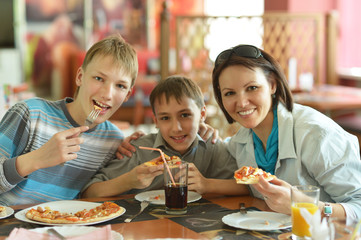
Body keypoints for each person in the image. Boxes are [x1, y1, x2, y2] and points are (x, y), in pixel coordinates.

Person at [211, 44, 361, 223]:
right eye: (229, 93)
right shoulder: (241, 141)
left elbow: (358, 207)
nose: (242, 103)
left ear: (272, 85)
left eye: (252, 88)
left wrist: (303, 204)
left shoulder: (316, 135)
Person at [0, 34, 138, 206]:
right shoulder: (30, 114)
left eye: (120, 86)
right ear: (80, 77)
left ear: (128, 95)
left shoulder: (112, 141)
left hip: (66, 228)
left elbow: (89, 196)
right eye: (99, 78)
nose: (107, 94)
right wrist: (37, 159)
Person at [81, 75, 248, 198]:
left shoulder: (211, 147)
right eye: (165, 118)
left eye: (185, 115)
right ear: (156, 121)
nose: (176, 128)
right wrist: (129, 181)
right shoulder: (139, 150)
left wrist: (206, 184)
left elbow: (249, 187)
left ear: (202, 114)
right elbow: (90, 191)